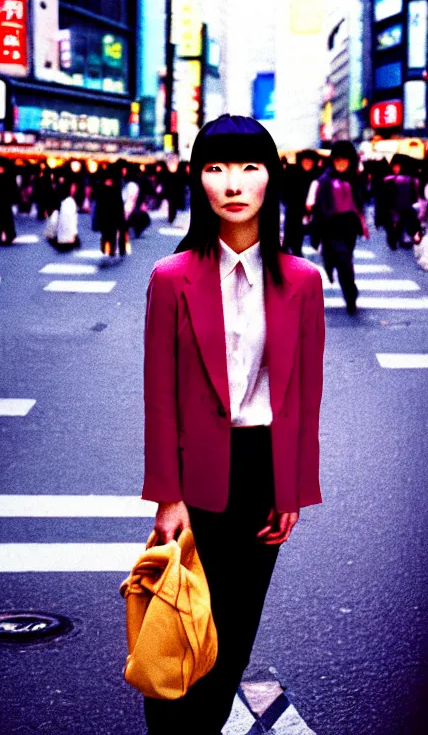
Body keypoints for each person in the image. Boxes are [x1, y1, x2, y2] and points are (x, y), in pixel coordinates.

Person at [141, 114, 325, 735]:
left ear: (272, 177)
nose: (233, 182)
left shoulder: (302, 280)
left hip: (263, 471)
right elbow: (159, 396)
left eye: (250, 166)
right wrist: (168, 495)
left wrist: (294, 490)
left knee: (235, 637)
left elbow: (306, 395)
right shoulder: (171, 277)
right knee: (180, 624)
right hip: (195, 481)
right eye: (215, 167)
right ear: (198, 180)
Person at [309, 141, 369, 315]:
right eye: (338, 161)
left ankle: (350, 294)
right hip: (330, 226)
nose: (341, 164)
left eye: (345, 161)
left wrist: (362, 224)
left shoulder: (355, 179)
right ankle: (348, 290)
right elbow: (318, 208)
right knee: (337, 259)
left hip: (349, 226)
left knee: (345, 260)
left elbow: (360, 203)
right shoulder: (324, 180)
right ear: (333, 161)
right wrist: (316, 232)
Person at [282, 149, 320, 256]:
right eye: (305, 161)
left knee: (308, 228)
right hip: (294, 205)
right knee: (292, 227)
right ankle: (291, 248)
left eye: (310, 162)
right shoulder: (293, 171)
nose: (307, 164)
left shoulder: (317, 173)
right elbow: (285, 185)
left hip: (310, 207)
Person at [381, 154, 420, 250]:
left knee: (404, 224)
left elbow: (414, 193)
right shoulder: (389, 179)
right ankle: (396, 240)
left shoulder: (410, 179)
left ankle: (402, 239)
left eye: (397, 167)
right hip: (394, 207)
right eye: (394, 167)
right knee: (395, 225)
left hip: (406, 206)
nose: (395, 169)